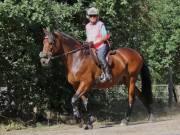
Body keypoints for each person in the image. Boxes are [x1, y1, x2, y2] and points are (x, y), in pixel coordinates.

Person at [85, 7, 111, 82]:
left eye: (94, 15)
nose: (93, 17)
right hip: (91, 47)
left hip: (101, 45)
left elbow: (105, 36)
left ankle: (107, 74)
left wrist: (94, 42)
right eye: (91, 16)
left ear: (97, 16)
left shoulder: (100, 24)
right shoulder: (87, 26)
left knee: (100, 56)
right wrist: (85, 42)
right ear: (88, 17)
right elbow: (88, 37)